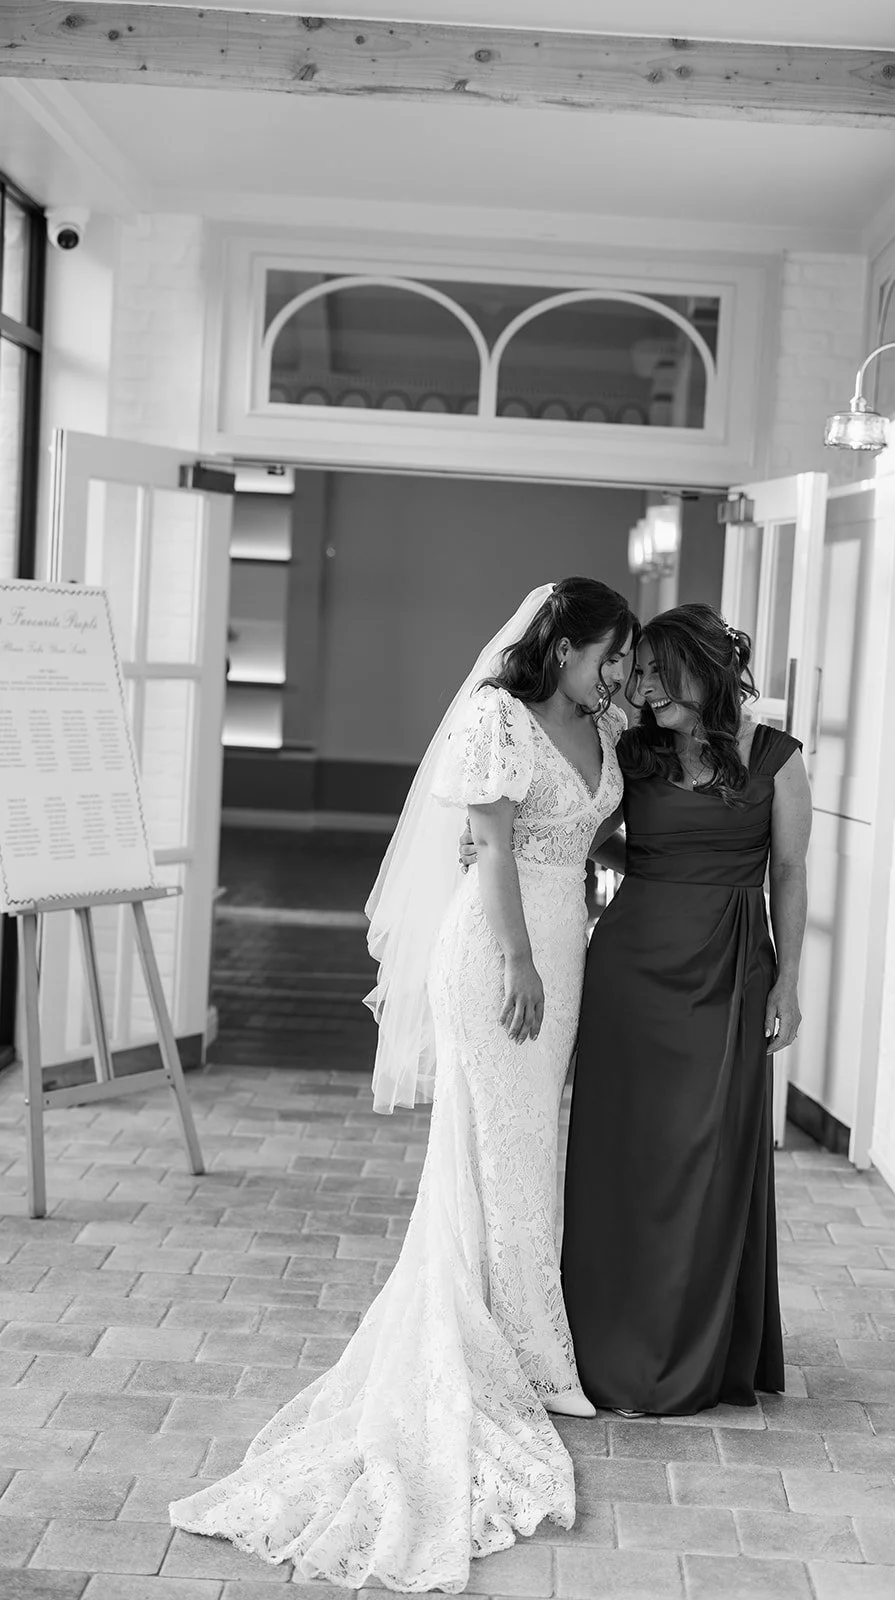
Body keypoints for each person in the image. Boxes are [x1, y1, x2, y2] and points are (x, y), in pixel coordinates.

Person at [169, 578, 638, 1594]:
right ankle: (525, 1355)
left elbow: (585, 841)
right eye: (610, 652)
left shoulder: (596, 730)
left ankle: (525, 1329)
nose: (619, 672)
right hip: (497, 953)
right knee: (501, 1146)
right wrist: (518, 961)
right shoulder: (493, 718)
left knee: (522, 1151)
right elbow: (493, 850)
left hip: (564, 946)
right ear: (560, 648)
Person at [562, 603, 811, 1416]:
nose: (640, 688)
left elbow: (792, 874)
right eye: (634, 673)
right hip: (632, 969)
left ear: (706, 670)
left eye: (656, 673)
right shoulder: (631, 754)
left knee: (708, 1157)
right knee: (623, 1157)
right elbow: (587, 835)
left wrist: (789, 982)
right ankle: (608, 1345)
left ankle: (696, 1351)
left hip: (734, 966)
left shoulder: (775, 756)